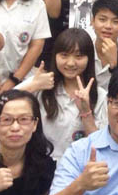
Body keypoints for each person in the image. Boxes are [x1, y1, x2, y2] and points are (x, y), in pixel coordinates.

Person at [17, 28, 107, 159]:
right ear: (55, 56)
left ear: (89, 58)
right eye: (64, 55)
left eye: (79, 56)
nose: (70, 63)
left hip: (79, 166)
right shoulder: (40, 83)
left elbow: (100, 147)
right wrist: (33, 86)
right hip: (41, 164)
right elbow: (0, 104)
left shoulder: (100, 95)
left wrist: (86, 112)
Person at [88, 0, 118, 91]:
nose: (108, 26)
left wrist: (115, 64)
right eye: (102, 20)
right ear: (92, 21)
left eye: (116, 22)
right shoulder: (83, 49)